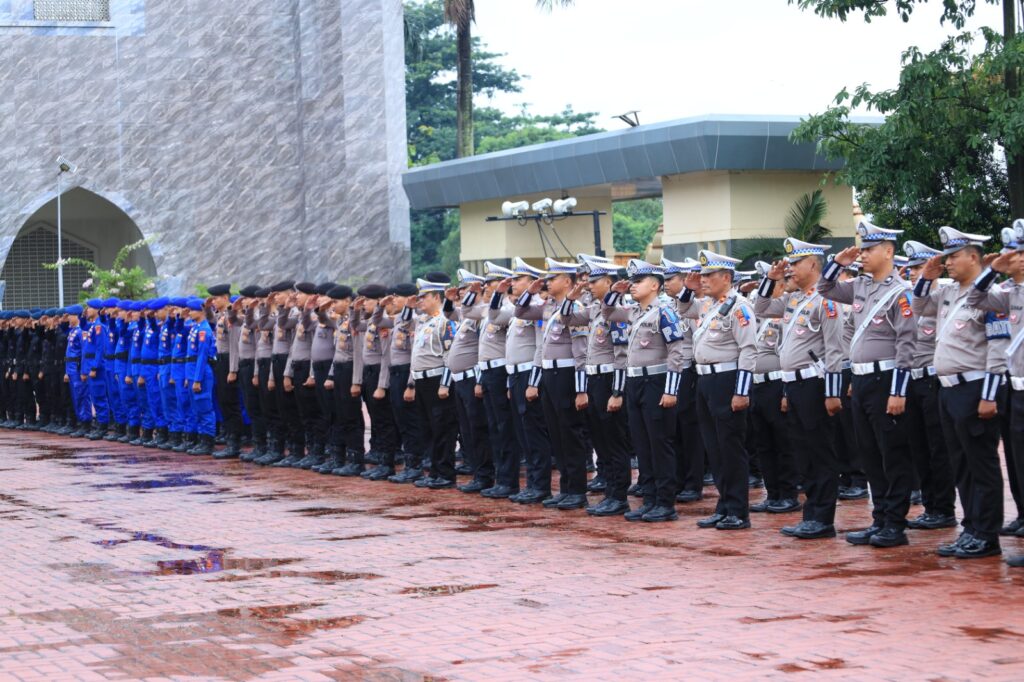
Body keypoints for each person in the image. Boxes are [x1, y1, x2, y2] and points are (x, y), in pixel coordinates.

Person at [820, 220, 917, 548]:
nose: (862, 255)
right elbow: (825, 289)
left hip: (886, 379)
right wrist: (837, 263)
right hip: (861, 380)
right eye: (861, 249)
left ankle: (895, 524)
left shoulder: (901, 292)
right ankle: (880, 519)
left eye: (869, 249)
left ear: (888, 252)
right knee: (870, 453)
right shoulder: (860, 286)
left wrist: (898, 391)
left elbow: (907, 345)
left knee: (892, 453)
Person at [913, 226, 1008, 558]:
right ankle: (971, 528)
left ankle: (987, 534)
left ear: (973, 257)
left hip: (975, 388)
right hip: (948, 390)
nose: (948, 263)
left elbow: (998, 349)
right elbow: (919, 306)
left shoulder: (992, 295)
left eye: (954, 256)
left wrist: (989, 396)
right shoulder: (948, 293)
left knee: (981, 464)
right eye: (947, 257)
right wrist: (926, 277)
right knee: (961, 464)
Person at [755, 238, 846, 539]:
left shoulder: (826, 300)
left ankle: (823, 518)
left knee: (820, 453)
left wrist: (832, 392)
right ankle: (811, 514)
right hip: (793, 385)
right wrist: (771, 280)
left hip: (815, 384)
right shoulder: (793, 300)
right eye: (790, 263)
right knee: (803, 453)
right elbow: (761, 307)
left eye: (796, 263)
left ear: (814, 264)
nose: (791, 268)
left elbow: (834, 350)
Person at [676, 250, 757, 530]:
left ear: (726, 278)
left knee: (730, 448)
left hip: (727, 380)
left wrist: (741, 391)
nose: (703, 279)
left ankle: (738, 510)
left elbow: (749, 350)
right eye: (702, 275)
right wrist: (688, 289)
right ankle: (724, 505)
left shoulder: (739, 306)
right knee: (714, 447)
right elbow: (683, 309)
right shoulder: (708, 305)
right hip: (705, 381)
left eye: (709, 275)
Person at [603, 258, 687, 522]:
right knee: (642, 444)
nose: (633, 286)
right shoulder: (634, 312)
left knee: (659, 443)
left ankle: (665, 502)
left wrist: (671, 390)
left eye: (638, 281)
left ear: (654, 285)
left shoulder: (665, 312)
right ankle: (649, 499)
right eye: (632, 282)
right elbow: (607, 313)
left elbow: (677, 351)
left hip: (656, 382)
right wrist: (613, 292)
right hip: (635, 383)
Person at [517, 258, 591, 510]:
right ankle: (566, 488)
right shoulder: (548, 307)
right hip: (549, 374)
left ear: (568, 281)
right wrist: (530, 292)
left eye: (553, 278)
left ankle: (577, 490)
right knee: (557, 434)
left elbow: (581, 352)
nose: (548, 282)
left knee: (570, 433)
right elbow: (520, 312)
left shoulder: (575, 308)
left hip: (567, 374)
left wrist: (581, 389)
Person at [564, 257, 632, 516]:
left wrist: (617, 392)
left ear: (610, 282)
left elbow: (621, 356)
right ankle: (610, 493)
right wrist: (570, 298)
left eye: (595, 281)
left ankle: (619, 496)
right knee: (601, 441)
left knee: (614, 441)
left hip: (609, 380)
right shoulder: (594, 309)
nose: (589, 286)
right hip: (594, 380)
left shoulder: (618, 312)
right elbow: (567, 319)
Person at [900, 241, 958, 531]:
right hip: (912, 380)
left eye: (918, 267)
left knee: (938, 448)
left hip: (933, 381)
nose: (913, 273)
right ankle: (930, 505)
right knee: (919, 446)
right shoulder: (910, 302)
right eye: (911, 268)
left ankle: (944, 508)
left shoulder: (944, 301)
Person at [496, 258, 553, 504]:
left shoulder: (539, 307)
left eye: (519, 279)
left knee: (534, 433)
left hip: (530, 374)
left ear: (532, 282)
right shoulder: (521, 308)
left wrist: (533, 382)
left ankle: (540, 486)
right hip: (516, 375)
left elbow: (540, 346)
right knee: (523, 434)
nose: (514, 283)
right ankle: (531, 483)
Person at [442, 269, 495, 494]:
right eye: (461, 289)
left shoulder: (481, 314)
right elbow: (449, 313)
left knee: (478, 429)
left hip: (473, 378)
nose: (461, 293)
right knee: (467, 430)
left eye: (466, 289)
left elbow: (484, 350)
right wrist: (448, 299)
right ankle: (477, 472)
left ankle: (485, 475)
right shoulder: (467, 315)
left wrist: (480, 381)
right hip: (460, 379)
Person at [407, 273, 460, 488]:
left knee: (443, 428)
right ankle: (434, 471)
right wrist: (412, 383)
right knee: (427, 428)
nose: (420, 301)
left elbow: (449, 356)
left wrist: (445, 384)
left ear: (437, 297)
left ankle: (446, 473)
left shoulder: (445, 323)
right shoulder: (423, 322)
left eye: (424, 297)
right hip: (422, 381)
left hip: (437, 381)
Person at [662, 257, 705, 504]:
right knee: (673, 428)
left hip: (688, 370)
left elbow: (697, 339)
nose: (666, 284)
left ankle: (692, 482)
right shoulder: (666, 305)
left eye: (671, 279)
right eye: (665, 280)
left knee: (689, 429)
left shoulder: (692, 306)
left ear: (684, 280)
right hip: (671, 372)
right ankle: (678, 479)